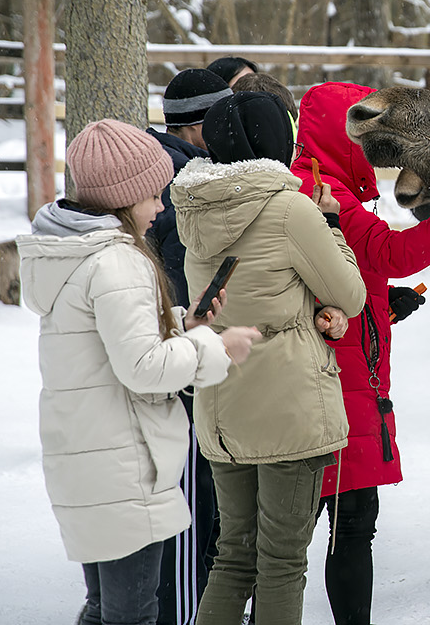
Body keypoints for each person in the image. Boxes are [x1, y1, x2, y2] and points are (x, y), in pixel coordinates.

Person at [17, 119, 260, 625]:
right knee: (132, 615)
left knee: (105, 608)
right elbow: (145, 368)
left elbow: (111, 350)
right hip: (124, 465)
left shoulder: (69, 255)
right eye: (153, 195)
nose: (160, 207)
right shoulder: (117, 263)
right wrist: (214, 345)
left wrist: (183, 325)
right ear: (124, 198)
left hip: (87, 459)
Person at [289, 81, 430, 625]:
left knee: (307, 525)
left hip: (340, 368)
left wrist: (378, 305)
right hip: (337, 383)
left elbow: (342, 273)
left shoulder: (322, 188)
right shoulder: (326, 194)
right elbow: (390, 252)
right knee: (348, 522)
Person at [170, 91, 367, 625]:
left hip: (223, 397)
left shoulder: (195, 207)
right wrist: (331, 226)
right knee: (281, 562)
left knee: (233, 556)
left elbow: (249, 291)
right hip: (288, 404)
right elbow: (349, 294)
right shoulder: (290, 208)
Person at [146, 68, 233, 625]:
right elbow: (190, 285)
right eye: (224, 121)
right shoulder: (181, 188)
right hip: (185, 372)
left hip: (191, 363)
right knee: (193, 512)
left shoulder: (185, 173)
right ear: (201, 127)